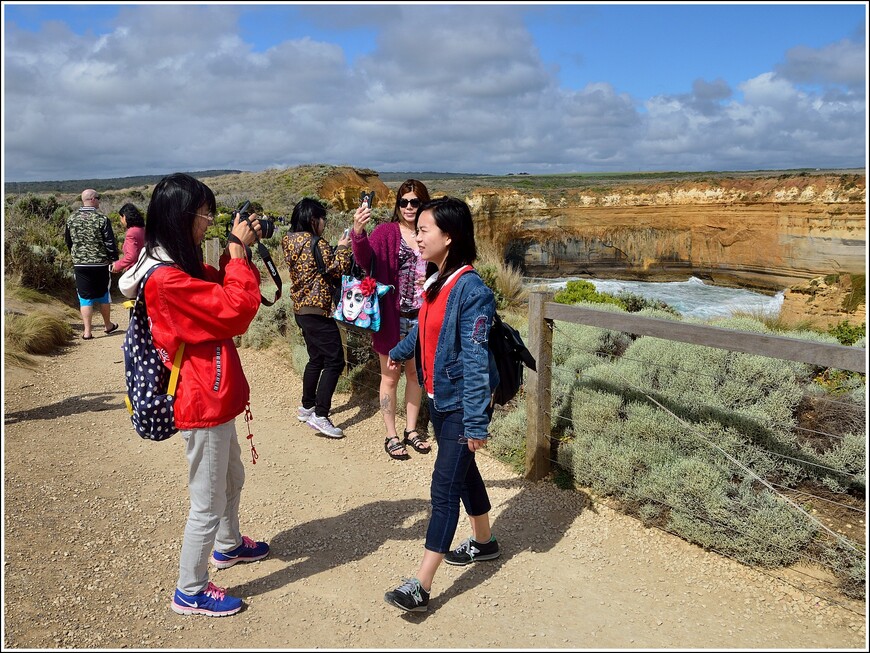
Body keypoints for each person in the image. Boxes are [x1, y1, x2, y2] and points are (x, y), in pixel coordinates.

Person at [118, 173, 270, 618]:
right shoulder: (166, 280)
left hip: (215, 394)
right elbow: (235, 308)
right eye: (205, 213)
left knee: (231, 479)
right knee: (206, 501)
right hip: (200, 401)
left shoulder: (179, 264)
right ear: (182, 216)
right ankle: (190, 589)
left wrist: (232, 253)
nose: (209, 221)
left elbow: (223, 283)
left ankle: (228, 546)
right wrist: (238, 253)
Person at [383, 197, 501, 613]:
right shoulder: (436, 279)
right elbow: (425, 329)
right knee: (463, 473)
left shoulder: (472, 291)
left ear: (448, 237)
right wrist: (401, 349)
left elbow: (474, 360)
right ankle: (484, 543)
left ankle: (421, 584)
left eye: (425, 230)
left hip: (463, 403)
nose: (416, 235)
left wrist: (475, 424)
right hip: (441, 397)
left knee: (444, 486)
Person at [351, 179, 432, 460]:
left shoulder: (431, 233)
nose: (409, 207)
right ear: (398, 205)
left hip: (421, 318)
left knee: (414, 376)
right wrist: (358, 231)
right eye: (404, 202)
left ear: (424, 204)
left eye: (415, 202)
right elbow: (363, 259)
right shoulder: (387, 232)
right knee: (390, 376)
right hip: (391, 318)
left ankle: (411, 430)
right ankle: (391, 434)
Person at [281, 198, 352, 438]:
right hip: (317, 309)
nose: (324, 223)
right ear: (314, 220)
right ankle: (321, 415)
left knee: (316, 358)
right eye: (323, 219)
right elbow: (337, 268)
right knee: (335, 362)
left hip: (300, 309)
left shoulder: (288, 241)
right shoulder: (316, 243)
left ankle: (307, 405)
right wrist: (343, 246)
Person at [64, 189, 119, 339]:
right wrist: (114, 259)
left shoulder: (71, 218)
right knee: (103, 294)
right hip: (100, 263)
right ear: (93, 199)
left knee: (84, 297)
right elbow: (109, 242)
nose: (99, 201)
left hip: (80, 264)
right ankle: (108, 325)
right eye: (99, 198)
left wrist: (76, 255)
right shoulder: (101, 218)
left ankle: (87, 332)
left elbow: (68, 241)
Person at [110, 203, 146, 274]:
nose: (121, 221)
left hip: (134, 270)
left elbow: (131, 256)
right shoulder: (143, 230)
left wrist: (117, 265)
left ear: (125, 217)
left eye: (121, 218)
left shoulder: (131, 233)